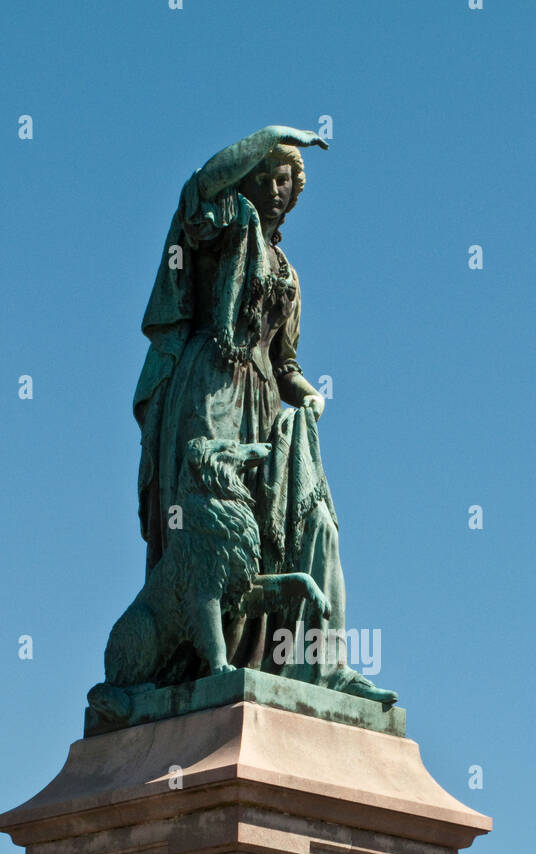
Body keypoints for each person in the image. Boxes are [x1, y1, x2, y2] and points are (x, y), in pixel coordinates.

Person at [131, 125, 395, 703]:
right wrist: (275, 133)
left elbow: (287, 362)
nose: (278, 189)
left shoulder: (288, 273)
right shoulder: (222, 227)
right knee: (209, 517)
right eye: (268, 176)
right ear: (248, 179)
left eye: (287, 180)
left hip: (264, 400)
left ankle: (303, 665)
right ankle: (202, 659)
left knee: (297, 527)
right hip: (209, 386)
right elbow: (196, 188)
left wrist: (307, 394)